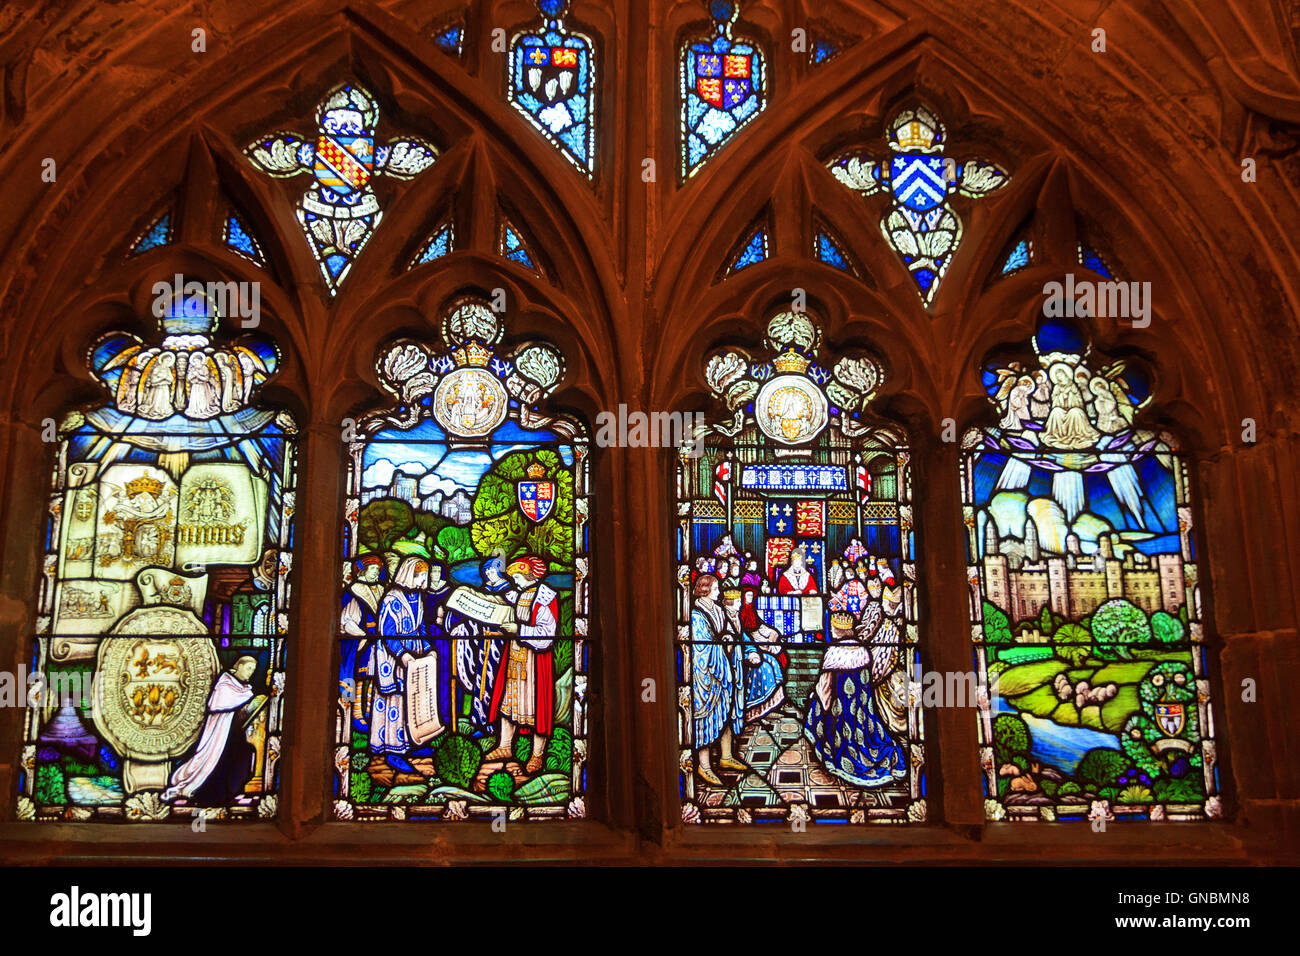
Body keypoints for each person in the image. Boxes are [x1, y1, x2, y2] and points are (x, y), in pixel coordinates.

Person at [803, 605, 907, 789]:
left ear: (838, 631)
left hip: (838, 710)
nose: (833, 632)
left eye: (834, 629)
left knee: (815, 706)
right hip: (861, 710)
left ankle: (834, 752)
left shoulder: (834, 653)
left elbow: (825, 686)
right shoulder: (862, 650)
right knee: (869, 734)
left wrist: (821, 700)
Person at [486, 556, 557, 774]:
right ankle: (505, 746)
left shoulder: (546, 597)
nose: (515, 581)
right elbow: (513, 598)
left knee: (536, 706)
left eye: (517, 577)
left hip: (535, 660)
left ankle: (537, 755)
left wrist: (519, 631)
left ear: (529, 575)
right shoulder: (524, 593)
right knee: (509, 698)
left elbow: (547, 635)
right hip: (515, 655)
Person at [163, 656, 259, 804]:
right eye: (248, 668)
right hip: (218, 733)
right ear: (238, 666)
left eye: (253, 669)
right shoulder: (224, 684)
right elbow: (217, 705)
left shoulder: (245, 689)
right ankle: (204, 793)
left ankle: (226, 793)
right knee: (210, 759)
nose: (251, 672)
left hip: (232, 732)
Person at [369, 556, 431, 780]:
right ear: (410, 575)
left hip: (412, 656)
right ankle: (392, 749)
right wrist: (402, 655)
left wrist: (428, 648)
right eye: (421, 577)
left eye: (425, 577)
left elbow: (421, 627)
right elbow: (386, 632)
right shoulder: (392, 598)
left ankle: (411, 742)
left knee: (412, 701)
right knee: (394, 701)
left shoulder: (418, 597)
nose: (424, 581)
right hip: (392, 658)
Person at [690, 574, 745, 786]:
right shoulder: (696, 614)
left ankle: (726, 756)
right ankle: (704, 767)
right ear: (704, 589)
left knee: (726, 712)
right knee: (705, 719)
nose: (718, 591)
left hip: (723, 670)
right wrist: (723, 643)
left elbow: (727, 631)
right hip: (706, 674)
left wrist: (729, 638)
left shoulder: (718, 609)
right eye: (715, 588)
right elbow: (700, 646)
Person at [450, 556, 513, 735]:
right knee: (482, 683)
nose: (488, 574)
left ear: (499, 571)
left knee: (497, 685)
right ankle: (479, 720)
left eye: (491, 571)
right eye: (486, 571)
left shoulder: (510, 592)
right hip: (483, 643)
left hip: (502, 645)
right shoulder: (484, 591)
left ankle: (493, 723)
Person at [339, 555, 385, 732]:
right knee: (359, 677)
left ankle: (370, 711)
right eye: (374, 569)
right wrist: (364, 636)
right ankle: (356, 714)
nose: (376, 573)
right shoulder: (355, 591)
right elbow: (347, 621)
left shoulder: (380, 589)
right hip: (360, 642)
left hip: (377, 640)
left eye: (378, 570)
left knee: (374, 677)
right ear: (364, 571)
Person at [736, 588, 785, 722]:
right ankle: (757, 708)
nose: (751, 598)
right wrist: (758, 647)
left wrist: (771, 636)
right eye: (748, 595)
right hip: (748, 647)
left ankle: (772, 704)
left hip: (754, 640)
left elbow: (757, 625)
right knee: (768, 665)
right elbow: (746, 634)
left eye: (752, 595)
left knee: (776, 659)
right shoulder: (738, 613)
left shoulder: (750, 609)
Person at [420, 561, 454, 736]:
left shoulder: (449, 591)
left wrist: (445, 618)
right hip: (425, 637)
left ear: (441, 573)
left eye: (437, 571)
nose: (434, 574)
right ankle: (427, 718)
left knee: (444, 675)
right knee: (425, 677)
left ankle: (446, 716)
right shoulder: (423, 592)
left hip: (444, 638)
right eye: (431, 571)